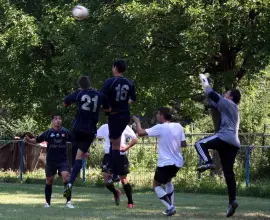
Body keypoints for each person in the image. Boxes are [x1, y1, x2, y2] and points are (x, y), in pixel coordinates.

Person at [195, 74, 241, 217]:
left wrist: (204, 80)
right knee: (228, 173)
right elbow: (212, 102)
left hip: (224, 137)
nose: (224, 94)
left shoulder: (229, 103)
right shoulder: (229, 108)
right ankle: (232, 201)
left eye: (226, 93)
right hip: (233, 143)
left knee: (199, 144)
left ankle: (208, 162)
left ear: (231, 97)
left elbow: (211, 94)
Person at [133, 107, 186, 216]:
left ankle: (170, 207)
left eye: (157, 114)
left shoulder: (160, 127)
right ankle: (171, 206)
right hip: (178, 162)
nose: (157, 116)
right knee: (168, 181)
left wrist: (137, 122)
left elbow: (140, 133)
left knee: (156, 185)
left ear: (162, 115)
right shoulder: (178, 126)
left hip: (165, 162)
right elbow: (183, 144)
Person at [63, 76, 110, 198]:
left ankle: (66, 174)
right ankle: (70, 183)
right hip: (90, 131)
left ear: (81, 86)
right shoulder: (99, 95)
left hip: (77, 128)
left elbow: (66, 102)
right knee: (80, 157)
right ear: (90, 84)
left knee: (74, 152)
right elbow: (108, 109)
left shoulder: (80, 93)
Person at [24, 114, 74, 208]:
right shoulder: (48, 133)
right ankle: (47, 203)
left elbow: (74, 140)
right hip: (51, 161)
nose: (58, 120)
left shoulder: (66, 132)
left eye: (59, 119)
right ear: (52, 121)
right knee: (49, 180)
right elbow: (37, 140)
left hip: (63, 160)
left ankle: (68, 202)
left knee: (66, 178)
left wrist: (84, 147)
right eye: (56, 119)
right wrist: (29, 140)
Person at [101, 59, 136, 178]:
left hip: (115, 115)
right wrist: (124, 103)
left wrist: (107, 108)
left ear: (115, 67)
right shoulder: (129, 83)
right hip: (125, 115)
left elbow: (102, 97)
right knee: (116, 140)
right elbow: (133, 100)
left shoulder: (110, 82)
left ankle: (114, 172)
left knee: (115, 145)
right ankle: (113, 168)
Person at [96, 124, 138, 208]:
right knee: (106, 180)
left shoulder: (124, 126)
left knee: (124, 180)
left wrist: (127, 147)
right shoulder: (105, 127)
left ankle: (130, 202)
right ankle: (116, 192)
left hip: (120, 155)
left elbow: (135, 139)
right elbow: (94, 135)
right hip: (108, 156)